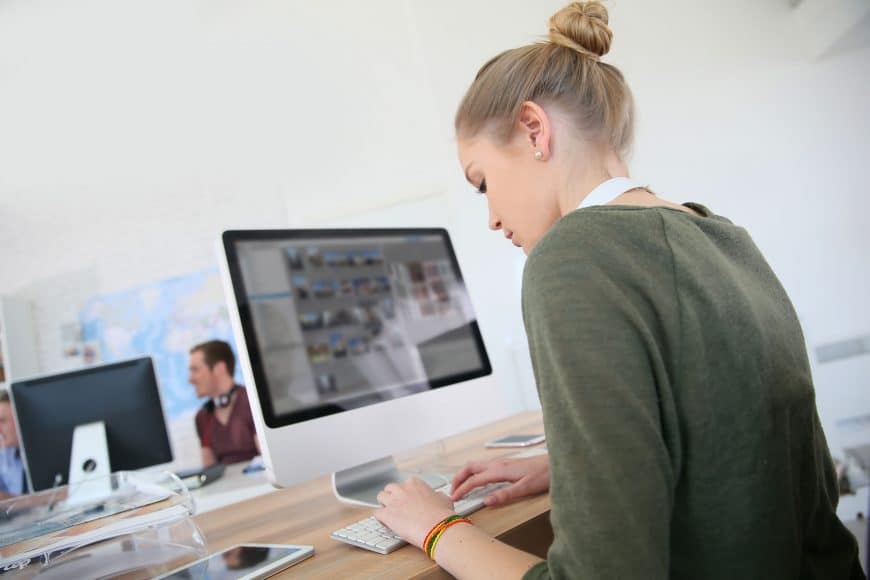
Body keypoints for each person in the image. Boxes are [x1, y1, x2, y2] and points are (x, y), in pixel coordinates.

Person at [372, 2, 864, 579]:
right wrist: (579, 466)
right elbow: (735, 439)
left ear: (534, 128)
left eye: (483, 183)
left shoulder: (570, 260)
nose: (492, 219)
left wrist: (436, 530)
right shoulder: (725, 239)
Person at [188, 340, 259, 466]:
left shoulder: (253, 402)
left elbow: (271, 463)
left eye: (195, 370)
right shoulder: (203, 416)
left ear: (219, 368)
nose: (190, 379)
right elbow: (209, 470)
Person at [0, 390, 27, 499]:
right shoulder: (4, 455)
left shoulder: (49, 453)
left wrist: (9, 500)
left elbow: (62, 494)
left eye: (2, 421)